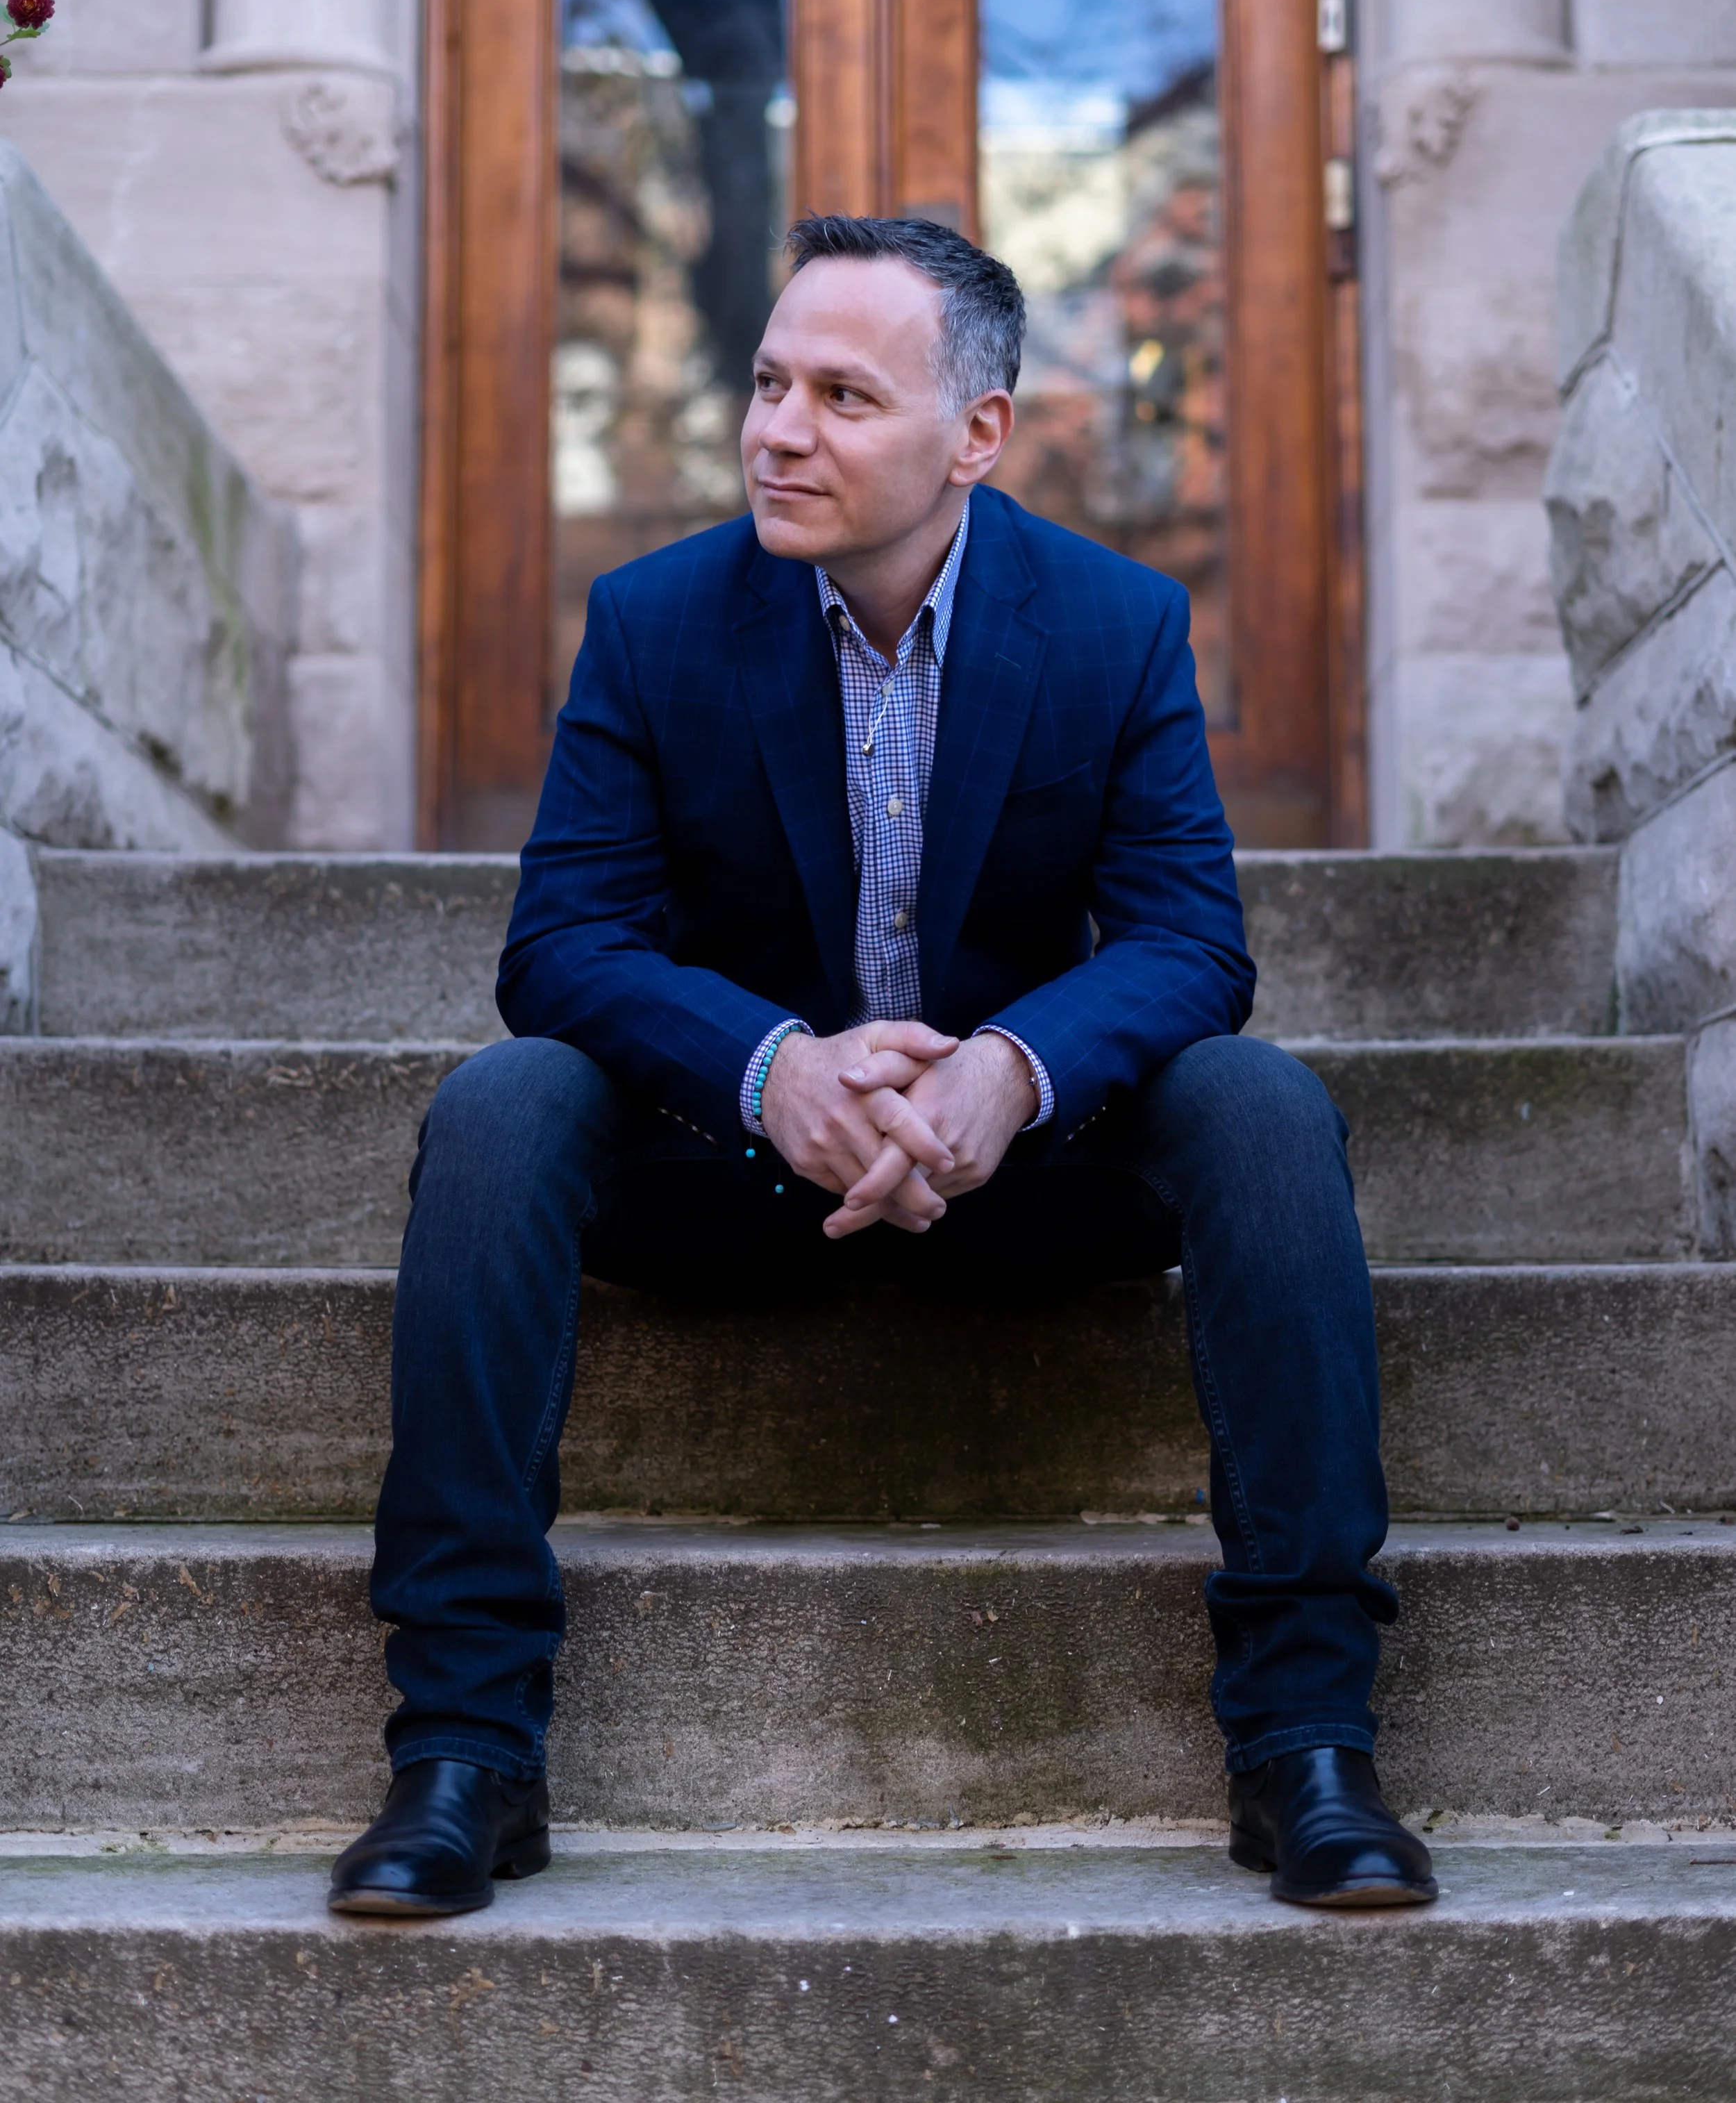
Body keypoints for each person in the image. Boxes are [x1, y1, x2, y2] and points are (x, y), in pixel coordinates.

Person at [328, 215, 1435, 1919]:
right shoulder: (651, 620)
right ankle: (463, 1749)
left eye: (842, 395)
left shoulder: (1114, 624)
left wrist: (1012, 1066)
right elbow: (561, 944)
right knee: (503, 1103)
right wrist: (771, 1068)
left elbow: (1188, 943)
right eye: (768, 382)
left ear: (973, 437)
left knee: (1261, 1105)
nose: (777, 430)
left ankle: (1307, 1745)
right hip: (736, 1168)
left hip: (1017, 1182)